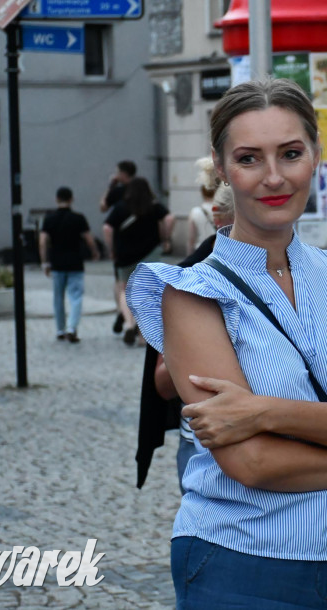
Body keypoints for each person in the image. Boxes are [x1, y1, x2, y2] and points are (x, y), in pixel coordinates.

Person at [125, 77, 327, 609]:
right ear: (221, 167)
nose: (273, 177)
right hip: (240, 565)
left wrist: (261, 411)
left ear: (315, 155)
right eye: (249, 159)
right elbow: (254, 464)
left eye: (290, 153)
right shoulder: (192, 293)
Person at [137, 168, 234, 494]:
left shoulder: (297, 278)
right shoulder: (186, 284)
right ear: (219, 219)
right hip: (202, 446)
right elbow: (162, 385)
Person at [103, 177, 174, 346]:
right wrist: (165, 237)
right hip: (150, 253)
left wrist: (111, 248)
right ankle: (143, 336)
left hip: (125, 255)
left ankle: (128, 324)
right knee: (147, 293)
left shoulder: (120, 207)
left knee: (124, 289)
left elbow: (107, 227)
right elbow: (170, 219)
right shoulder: (154, 206)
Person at [39, 187, 99, 343]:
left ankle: (60, 329)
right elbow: (89, 239)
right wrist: (95, 252)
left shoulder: (49, 219)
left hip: (57, 263)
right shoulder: (78, 218)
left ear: (56, 199)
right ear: (72, 199)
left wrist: (45, 262)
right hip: (75, 263)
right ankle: (72, 327)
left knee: (58, 298)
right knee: (76, 297)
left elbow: (43, 241)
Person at [100, 160, 137, 335]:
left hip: (121, 242)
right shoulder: (141, 189)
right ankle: (133, 318)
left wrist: (110, 186)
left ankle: (122, 312)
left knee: (121, 282)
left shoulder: (117, 191)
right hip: (144, 241)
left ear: (123, 174)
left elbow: (103, 206)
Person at [187, 157, 218, 252]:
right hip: (219, 251)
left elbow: (191, 239)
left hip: (201, 251)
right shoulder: (224, 209)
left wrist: (190, 256)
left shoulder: (195, 212)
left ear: (202, 192)